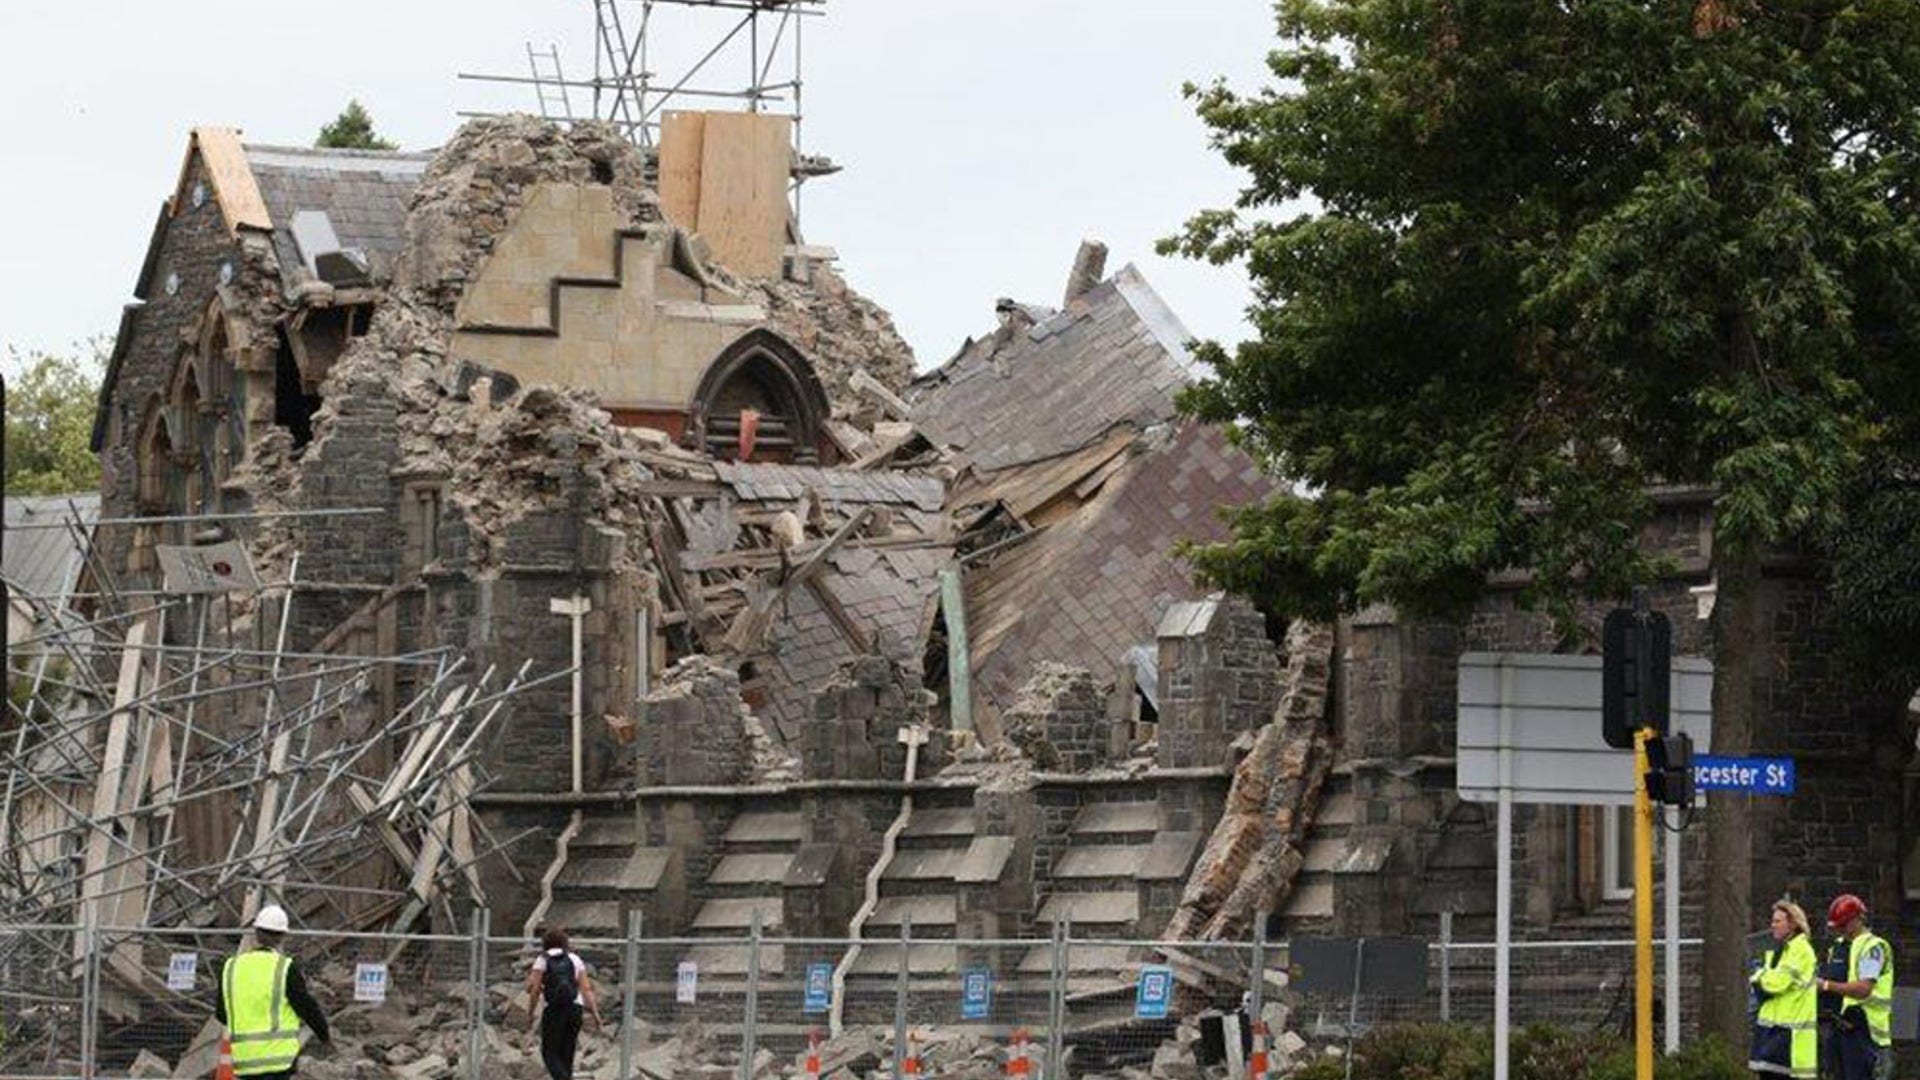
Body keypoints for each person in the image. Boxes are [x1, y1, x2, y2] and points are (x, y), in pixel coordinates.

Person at [216, 904, 331, 1080]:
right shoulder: (285, 968)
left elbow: (222, 1014)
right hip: (279, 1061)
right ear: (282, 937)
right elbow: (306, 1006)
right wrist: (324, 1035)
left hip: (245, 1061)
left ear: (256, 932)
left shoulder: (230, 967)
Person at [1816, 894, 1895, 1080]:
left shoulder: (1873, 947)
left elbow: (1863, 989)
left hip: (1866, 1034)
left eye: (1844, 925)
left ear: (1858, 919)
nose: (1840, 930)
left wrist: (1826, 985)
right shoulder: (1838, 947)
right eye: (1838, 926)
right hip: (1838, 1030)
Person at [1750, 899, 1818, 1079]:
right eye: (1773, 921)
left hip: (1788, 1039)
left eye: (1778, 921)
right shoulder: (1783, 950)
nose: (1773, 926)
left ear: (1793, 924)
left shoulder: (1801, 950)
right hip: (1773, 1035)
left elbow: (1776, 983)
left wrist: (1758, 976)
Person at [525, 928, 602, 1080]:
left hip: (554, 1009)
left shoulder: (542, 959)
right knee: (567, 1054)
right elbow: (586, 989)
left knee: (549, 1053)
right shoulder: (574, 959)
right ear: (565, 943)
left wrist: (530, 1014)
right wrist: (596, 1015)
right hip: (575, 1008)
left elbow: (533, 989)